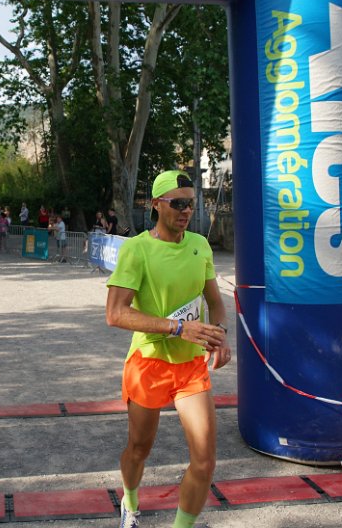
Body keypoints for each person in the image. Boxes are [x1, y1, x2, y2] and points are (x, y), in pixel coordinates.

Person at [105, 169, 229, 528]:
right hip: (149, 363)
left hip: (190, 367)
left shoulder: (200, 245)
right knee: (139, 449)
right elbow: (115, 314)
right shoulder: (137, 249)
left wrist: (220, 334)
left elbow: (215, 302)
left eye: (191, 203)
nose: (186, 211)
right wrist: (178, 327)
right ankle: (130, 502)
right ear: (156, 204)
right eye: (178, 204)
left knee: (205, 460)